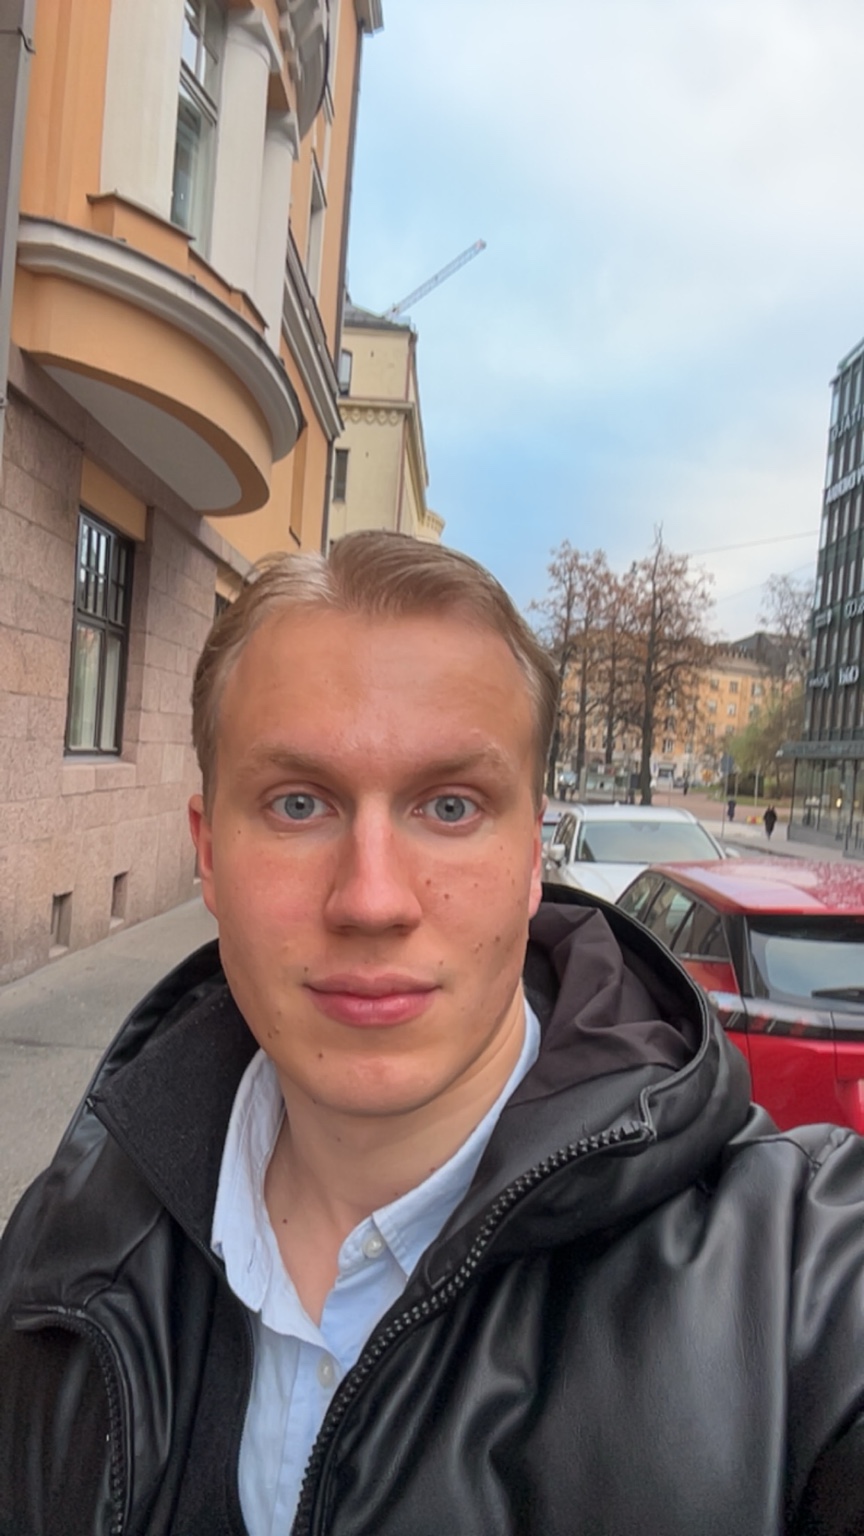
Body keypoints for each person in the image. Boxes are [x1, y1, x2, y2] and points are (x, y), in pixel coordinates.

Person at [3, 531, 864, 1536]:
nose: (372, 900)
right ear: (207, 854)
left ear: (534, 857)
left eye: (450, 806)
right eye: (298, 804)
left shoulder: (800, 1289)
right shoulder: (63, 1242)